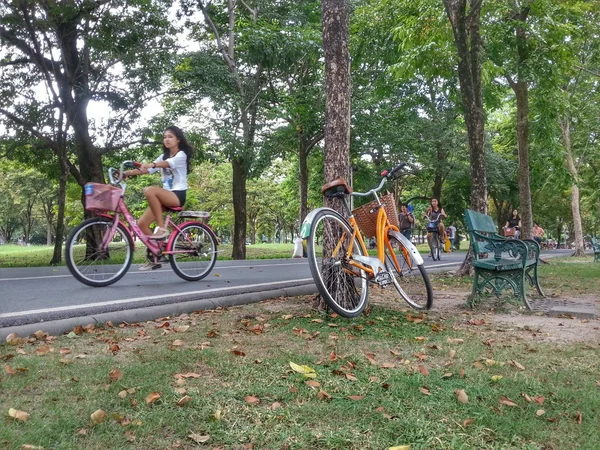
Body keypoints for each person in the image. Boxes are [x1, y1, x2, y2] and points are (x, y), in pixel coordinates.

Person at [123, 126, 193, 270]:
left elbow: (164, 164)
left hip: (177, 195)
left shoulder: (181, 155)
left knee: (150, 190)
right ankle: (157, 255)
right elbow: (147, 169)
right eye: (165, 137)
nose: (166, 139)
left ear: (178, 139)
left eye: (170, 137)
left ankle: (162, 228)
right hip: (165, 197)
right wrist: (126, 173)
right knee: (141, 224)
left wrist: (152, 164)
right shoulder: (164, 156)